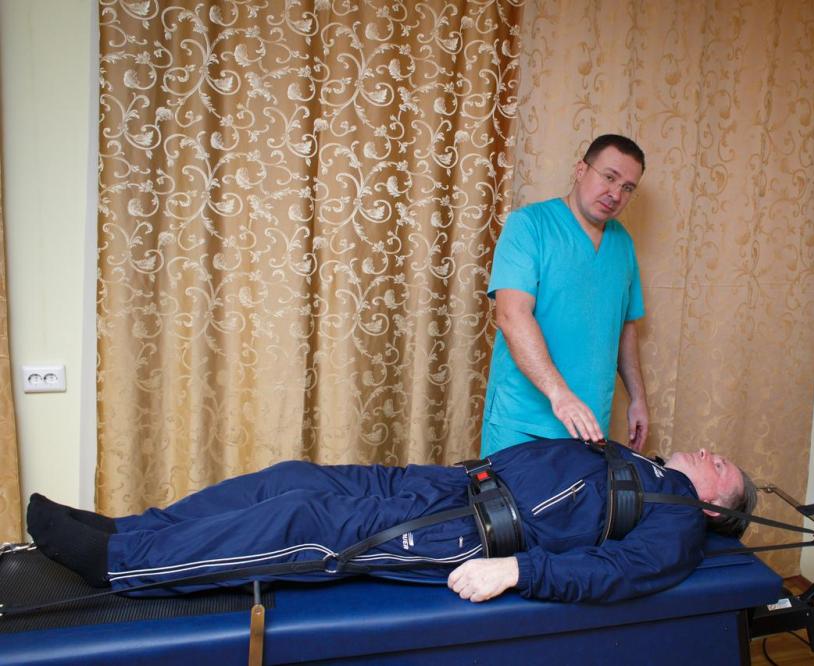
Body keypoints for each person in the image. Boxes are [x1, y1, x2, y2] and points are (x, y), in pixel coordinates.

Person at [26, 439, 755, 604]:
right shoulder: (645, 464)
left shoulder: (679, 526)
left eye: (722, 465)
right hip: (450, 481)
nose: (709, 453)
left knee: (304, 523)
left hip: (467, 531)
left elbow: (617, 574)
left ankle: (117, 567)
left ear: (717, 505)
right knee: (293, 477)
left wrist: (516, 570)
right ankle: (130, 530)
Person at [482, 135, 650, 456]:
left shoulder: (623, 244)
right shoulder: (528, 225)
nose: (616, 194)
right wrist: (560, 395)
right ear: (580, 170)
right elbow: (511, 315)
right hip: (521, 421)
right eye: (609, 177)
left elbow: (625, 327)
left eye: (628, 187)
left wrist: (638, 399)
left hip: (588, 428)